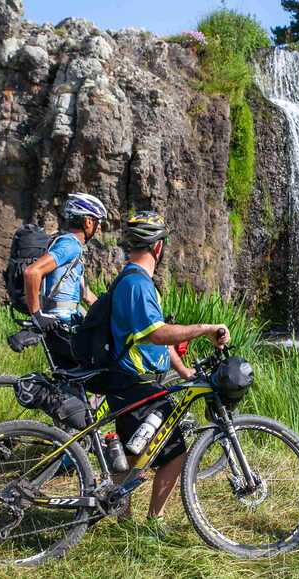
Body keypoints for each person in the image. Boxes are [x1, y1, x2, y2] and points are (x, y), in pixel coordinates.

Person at [105, 211, 229, 529]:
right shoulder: (137, 284)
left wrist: (183, 370)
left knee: (138, 452)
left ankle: (122, 516)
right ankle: (151, 521)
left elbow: (156, 338)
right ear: (158, 247)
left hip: (140, 383)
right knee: (173, 452)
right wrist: (204, 328)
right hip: (136, 385)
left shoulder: (136, 281)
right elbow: (157, 334)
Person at [23, 193, 107, 368]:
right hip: (61, 325)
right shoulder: (70, 246)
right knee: (103, 366)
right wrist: (37, 315)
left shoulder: (71, 248)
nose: (99, 228)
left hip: (63, 324)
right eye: (99, 222)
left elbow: (87, 296)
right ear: (88, 222)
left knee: (71, 382)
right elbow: (32, 272)